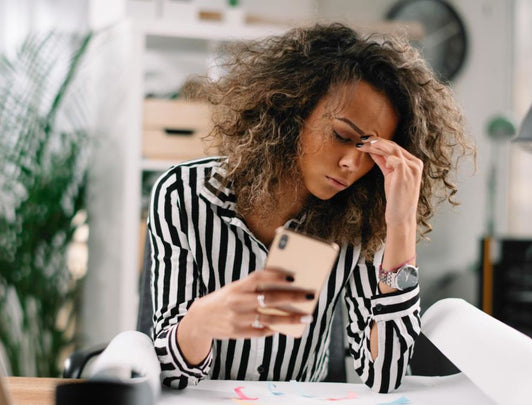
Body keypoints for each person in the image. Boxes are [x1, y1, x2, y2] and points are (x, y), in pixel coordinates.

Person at [146, 23, 474, 393]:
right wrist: (202, 322)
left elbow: (385, 375)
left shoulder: (360, 217)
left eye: (370, 150)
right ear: (292, 109)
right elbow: (170, 375)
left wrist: (401, 228)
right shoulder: (185, 195)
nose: (353, 163)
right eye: (342, 136)